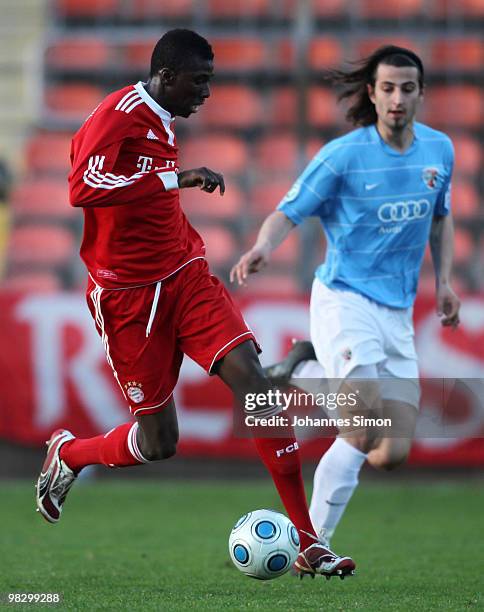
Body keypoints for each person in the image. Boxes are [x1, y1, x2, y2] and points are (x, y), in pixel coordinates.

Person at [34, 29, 355, 579]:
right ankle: (70, 454)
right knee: (159, 443)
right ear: (166, 77)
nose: (206, 93)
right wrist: (174, 177)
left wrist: (168, 187)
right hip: (127, 298)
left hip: (185, 275)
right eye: (199, 81)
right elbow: (82, 187)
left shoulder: (161, 115)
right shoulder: (118, 114)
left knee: (255, 388)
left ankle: (309, 540)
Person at [231, 45, 460, 544]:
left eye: (407, 88)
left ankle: (306, 370)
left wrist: (442, 282)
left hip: (397, 313)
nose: (397, 98)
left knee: (389, 453)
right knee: (360, 429)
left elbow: (441, 219)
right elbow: (287, 211)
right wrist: (263, 246)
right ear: (372, 94)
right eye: (388, 88)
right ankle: (315, 545)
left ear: (421, 93)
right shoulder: (343, 156)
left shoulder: (438, 151)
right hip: (345, 300)